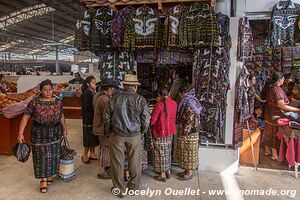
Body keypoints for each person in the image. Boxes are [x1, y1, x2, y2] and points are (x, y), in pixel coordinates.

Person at [17, 79, 67, 193]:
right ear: (40, 91)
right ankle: (43, 179)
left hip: (55, 133)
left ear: (53, 90)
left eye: (50, 89)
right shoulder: (35, 102)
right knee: (41, 157)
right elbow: (25, 117)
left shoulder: (58, 102)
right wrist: (20, 133)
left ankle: (50, 175)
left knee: (54, 155)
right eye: (45, 90)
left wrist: (65, 129)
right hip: (39, 134)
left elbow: (61, 116)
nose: (48, 92)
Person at [105, 74, 150, 197]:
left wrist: (109, 131)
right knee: (135, 162)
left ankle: (119, 190)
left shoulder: (114, 98)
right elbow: (146, 120)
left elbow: (106, 117)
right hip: (134, 135)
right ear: (135, 86)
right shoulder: (140, 99)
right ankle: (133, 187)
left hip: (117, 134)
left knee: (117, 163)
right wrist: (142, 131)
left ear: (124, 86)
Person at [263, 72, 300, 160]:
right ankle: (274, 154)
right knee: (274, 132)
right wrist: (297, 110)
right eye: (283, 79)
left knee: (269, 130)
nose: (284, 80)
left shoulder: (271, 88)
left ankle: (268, 150)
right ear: (279, 79)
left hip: (270, 113)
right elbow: (281, 105)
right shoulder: (277, 90)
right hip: (276, 114)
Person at [150, 86, 177, 182]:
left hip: (160, 132)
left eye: (157, 97)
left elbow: (152, 120)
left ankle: (162, 175)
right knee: (167, 152)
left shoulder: (159, 105)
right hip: (170, 133)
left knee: (160, 153)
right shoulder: (174, 103)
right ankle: (168, 171)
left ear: (160, 96)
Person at [176, 85, 202, 181]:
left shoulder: (188, 102)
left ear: (183, 93)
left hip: (190, 132)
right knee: (186, 152)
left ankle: (189, 173)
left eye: (180, 94)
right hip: (192, 131)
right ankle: (186, 170)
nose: (179, 96)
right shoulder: (192, 100)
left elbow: (190, 120)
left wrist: (185, 133)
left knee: (189, 152)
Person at [93, 78, 115, 179]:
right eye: (112, 88)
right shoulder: (105, 99)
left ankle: (105, 169)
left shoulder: (98, 95)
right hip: (102, 128)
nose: (113, 91)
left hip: (99, 126)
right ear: (109, 88)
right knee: (104, 150)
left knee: (103, 149)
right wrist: (108, 131)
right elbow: (106, 117)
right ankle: (101, 172)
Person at [81, 76, 99, 164]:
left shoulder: (93, 92)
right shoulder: (87, 93)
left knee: (93, 136)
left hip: (93, 118)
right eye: (93, 83)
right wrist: (97, 109)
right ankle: (85, 155)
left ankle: (92, 153)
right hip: (88, 119)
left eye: (95, 83)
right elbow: (87, 107)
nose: (95, 84)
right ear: (88, 84)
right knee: (88, 137)